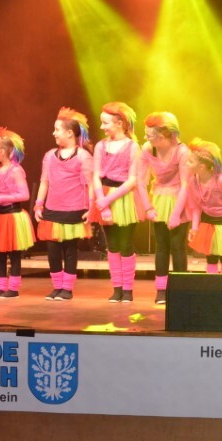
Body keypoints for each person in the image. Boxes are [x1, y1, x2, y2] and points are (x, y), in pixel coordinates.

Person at [34, 108, 93, 301]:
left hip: (74, 210)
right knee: (52, 250)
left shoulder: (83, 156)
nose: (53, 133)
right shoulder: (49, 155)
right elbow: (44, 181)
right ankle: (56, 286)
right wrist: (38, 204)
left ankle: (67, 288)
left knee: (69, 250)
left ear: (69, 133)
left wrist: (91, 208)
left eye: (57, 129)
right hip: (52, 209)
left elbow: (90, 185)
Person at [93, 102, 143, 302]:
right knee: (112, 245)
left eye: (105, 123)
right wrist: (101, 201)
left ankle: (128, 289)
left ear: (119, 123)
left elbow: (132, 180)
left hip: (123, 197)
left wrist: (108, 200)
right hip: (104, 195)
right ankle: (117, 287)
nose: (102, 127)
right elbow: (96, 175)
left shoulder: (133, 147)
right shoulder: (100, 146)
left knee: (126, 243)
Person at [141, 112, 190, 304]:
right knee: (161, 246)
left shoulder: (182, 152)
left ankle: (181, 290)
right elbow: (140, 180)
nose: (146, 138)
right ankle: (161, 290)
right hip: (160, 198)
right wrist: (148, 208)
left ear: (162, 136)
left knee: (178, 246)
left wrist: (176, 214)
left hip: (179, 199)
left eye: (149, 135)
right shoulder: (148, 148)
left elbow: (185, 185)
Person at [0, 127, 36, 299]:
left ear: (3, 151)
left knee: (14, 254)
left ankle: (13, 288)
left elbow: (24, 195)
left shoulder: (16, 170)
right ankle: (0, 287)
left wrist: (0, 198)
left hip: (12, 217)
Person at [187, 140, 222, 273]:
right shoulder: (193, 181)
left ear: (201, 167)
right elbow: (196, 207)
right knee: (210, 257)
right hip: (207, 222)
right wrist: (194, 228)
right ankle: (211, 283)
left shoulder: (221, 180)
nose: (186, 164)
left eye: (190, 161)